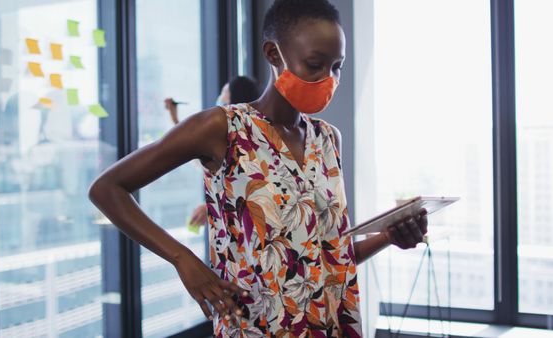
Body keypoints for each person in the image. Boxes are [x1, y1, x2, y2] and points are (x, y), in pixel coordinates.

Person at [88, 0, 427, 336]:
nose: (328, 79)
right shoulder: (222, 127)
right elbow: (107, 189)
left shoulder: (327, 140)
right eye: (315, 64)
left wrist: (388, 237)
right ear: (273, 54)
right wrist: (182, 258)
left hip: (330, 326)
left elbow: (326, 257)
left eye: (336, 66)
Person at [164, 76, 261, 229]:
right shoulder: (253, 132)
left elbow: (246, 190)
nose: (220, 97)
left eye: (224, 91)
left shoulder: (232, 139)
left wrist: (211, 208)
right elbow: (191, 149)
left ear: (233, 99)